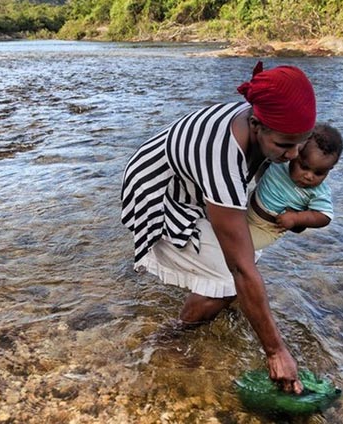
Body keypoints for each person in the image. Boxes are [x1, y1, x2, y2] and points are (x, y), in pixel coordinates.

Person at [120, 61, 316, 394]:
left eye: (302, 142)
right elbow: (239, 267)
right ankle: (172, 336)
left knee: (241, 260)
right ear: (256, 125)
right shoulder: (222, 157)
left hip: (193, 183)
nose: (295, 155)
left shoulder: (263, 124)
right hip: (159, 190)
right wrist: (276, 350)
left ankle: (195, 301)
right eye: (285, 146)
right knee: (228, 279)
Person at [248, 124, 343, 250]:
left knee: (240, 246)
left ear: (329, 169)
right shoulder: (281, 162)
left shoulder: (318, 192)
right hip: (248, 205)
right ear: (296, 153)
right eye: (304, 167)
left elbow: (324, 216)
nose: (309, 176)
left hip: (268, 227)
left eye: (319, 173)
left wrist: (296, 218)